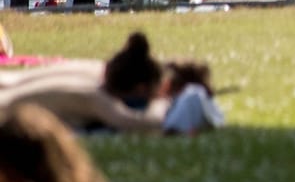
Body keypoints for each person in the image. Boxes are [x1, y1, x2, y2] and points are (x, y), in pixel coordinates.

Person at [0, 33, 181, 135]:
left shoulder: (93, 70)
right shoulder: (94, 96)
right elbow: (132, 122)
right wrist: (165, 105)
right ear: (141, 89)